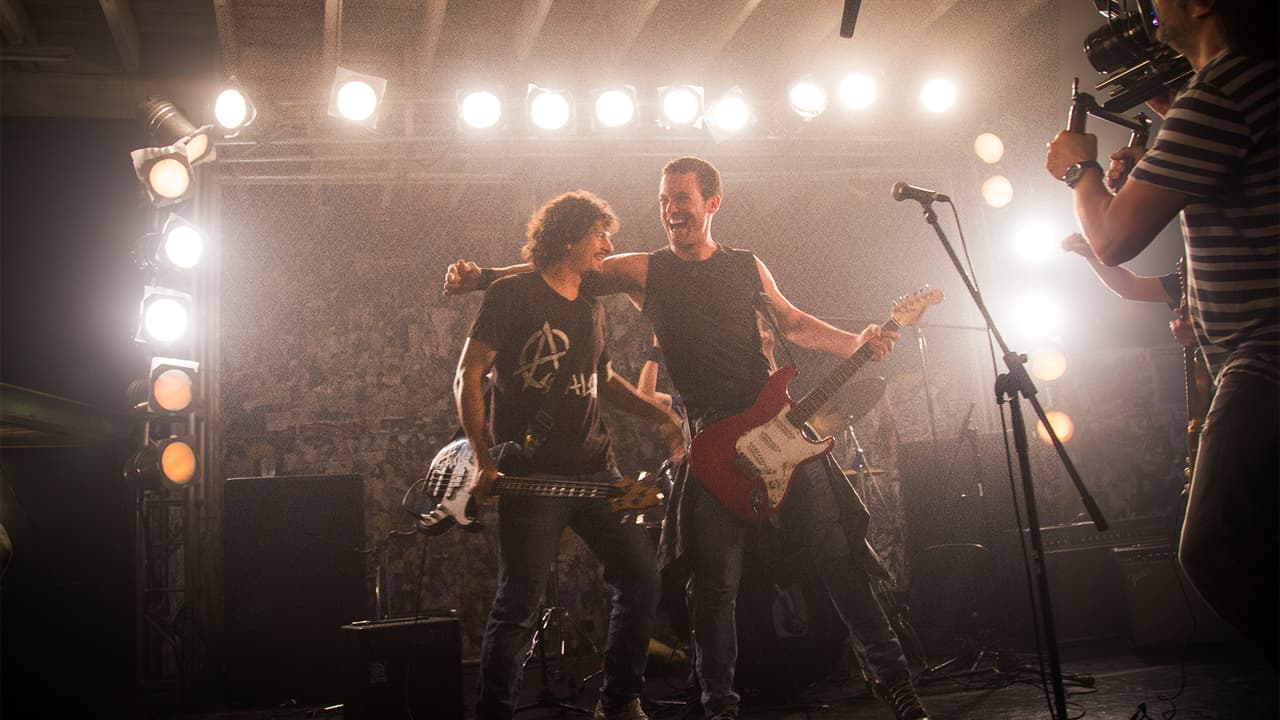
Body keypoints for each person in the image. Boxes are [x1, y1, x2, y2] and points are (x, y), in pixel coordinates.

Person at [446, 157, 929, 719]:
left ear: (711, 204)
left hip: (780, 430)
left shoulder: (746, 265)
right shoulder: (646, 270)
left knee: (839, 559)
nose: (671, 209)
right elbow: (558, 264)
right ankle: (719, 705)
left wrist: (856, 343)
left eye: (681, 198)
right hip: (713, 445)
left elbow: (794, 323)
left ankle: (897, 685)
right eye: (664, 200)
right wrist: (484, 277)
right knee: (715, 586)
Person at [1045, 0, 1277, 664]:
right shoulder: (1248, 83)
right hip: (1251, 351)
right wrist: (1159, 149)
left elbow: (1113, 237)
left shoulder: (1222, 89)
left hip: (1266, 351)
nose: (1145, 6)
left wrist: (1078, 171)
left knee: (1215, 548)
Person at [455, 190, 685, 720]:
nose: (607, 246)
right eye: (599, 235)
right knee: (519, 603)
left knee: (643, 576)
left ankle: (620, 700)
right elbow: (468, 374)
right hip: (532, 477)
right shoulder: (512, 294)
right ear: (567, 239)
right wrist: (484, 459)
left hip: (600, 474)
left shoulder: (591, 305)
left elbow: (603, 380)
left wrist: (660, 417)